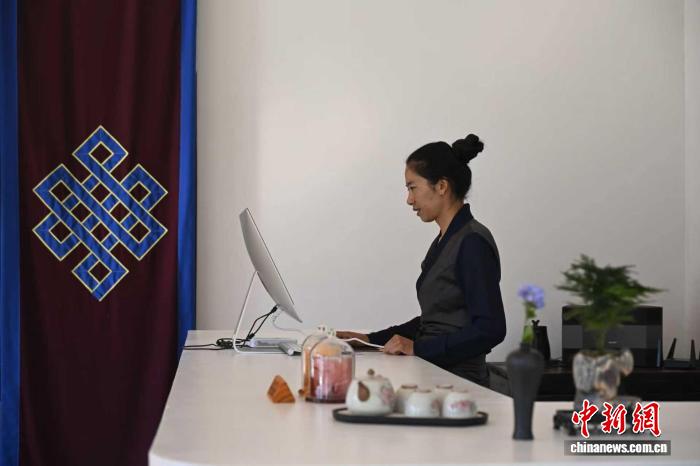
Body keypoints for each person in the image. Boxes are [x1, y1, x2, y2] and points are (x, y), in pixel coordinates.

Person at [337, 133, 506, 387]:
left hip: (460, 383)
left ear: (441, 186)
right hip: (436, 373)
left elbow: (490, 328)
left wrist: (418, 349)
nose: (409, 200)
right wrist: (368, 340)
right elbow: (433, 322)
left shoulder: (472, 242)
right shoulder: (446, 239)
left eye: (412, 187)